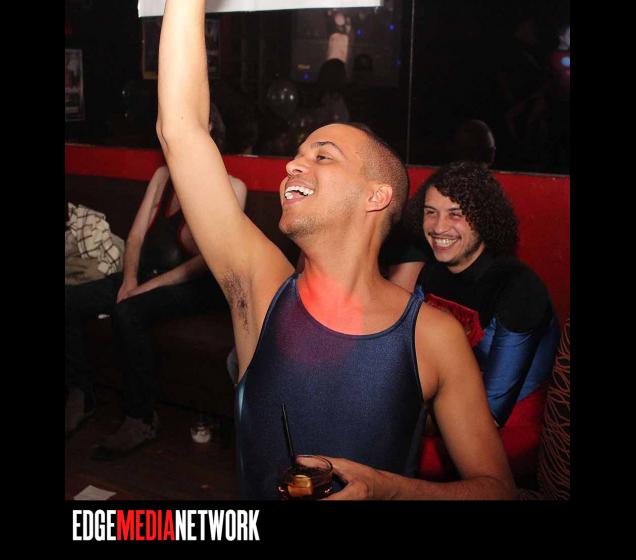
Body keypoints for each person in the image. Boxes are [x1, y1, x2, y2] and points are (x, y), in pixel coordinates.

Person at [156, 0, 515, 500]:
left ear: (376, 196)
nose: (292, 166)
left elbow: (497, 490)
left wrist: (386, 489)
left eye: (322, 156)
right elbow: (181, 131)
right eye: (296, 155)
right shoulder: (263, 290)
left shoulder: (434, 337)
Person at [65, 106, 247, 460]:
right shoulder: (163, 176)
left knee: (129, 312)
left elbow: (208, 261)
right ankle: (80, 394)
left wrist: (145, 289)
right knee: (70, 301)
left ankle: (142, 417)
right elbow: (134, 237)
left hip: (196, 285)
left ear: (209, 127)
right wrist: (129, 279)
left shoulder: (232, 186)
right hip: (145, 275)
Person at [387, 161, 560, 480]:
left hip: (506, 431)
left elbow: (492, 412)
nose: (438, 227)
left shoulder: (517, 287)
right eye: (430, 212)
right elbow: (412, 353)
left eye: (455, 213)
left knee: (384, 456)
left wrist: (400, 413)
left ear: (484, 219)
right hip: (443, 407)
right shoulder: (432, 274)